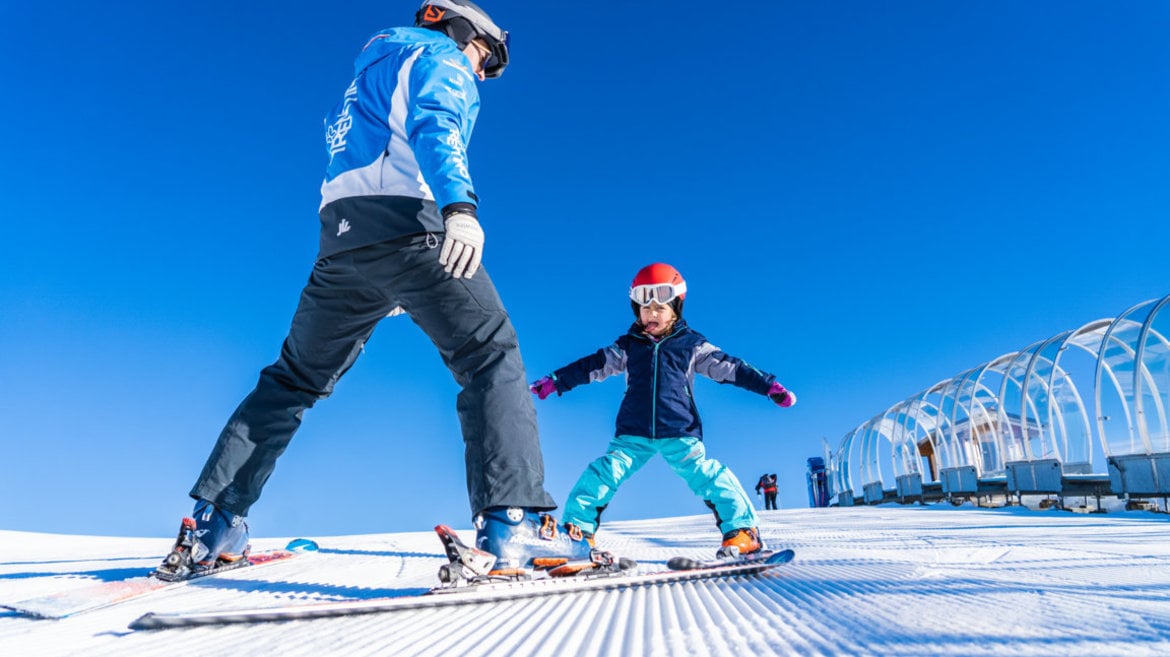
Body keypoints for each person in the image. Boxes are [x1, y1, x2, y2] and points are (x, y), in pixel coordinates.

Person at [158, 0, 591, 579]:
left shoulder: (365, 76)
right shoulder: (439, 58)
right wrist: (460, 209)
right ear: (462, 30)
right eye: (486, 56)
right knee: (490, 356)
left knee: (293, 379)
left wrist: (376, 272)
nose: (481, 72)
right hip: (412, 227)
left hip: (340, 244)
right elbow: (437, 125)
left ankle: (215, 523)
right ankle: (512, 526)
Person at [529, 263, 798, 557]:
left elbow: (731, 368)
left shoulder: (692, 345)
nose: (651, 314)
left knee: (709, 476)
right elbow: (593, 365)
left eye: (659, 307)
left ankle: (743, 532)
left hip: (679, 429)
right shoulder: (629, 346)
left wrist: (768, 386)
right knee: (601, 475)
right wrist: (558, 381)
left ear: (676, 307)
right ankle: (578, 534)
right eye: (644, 308)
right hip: (633, 431)